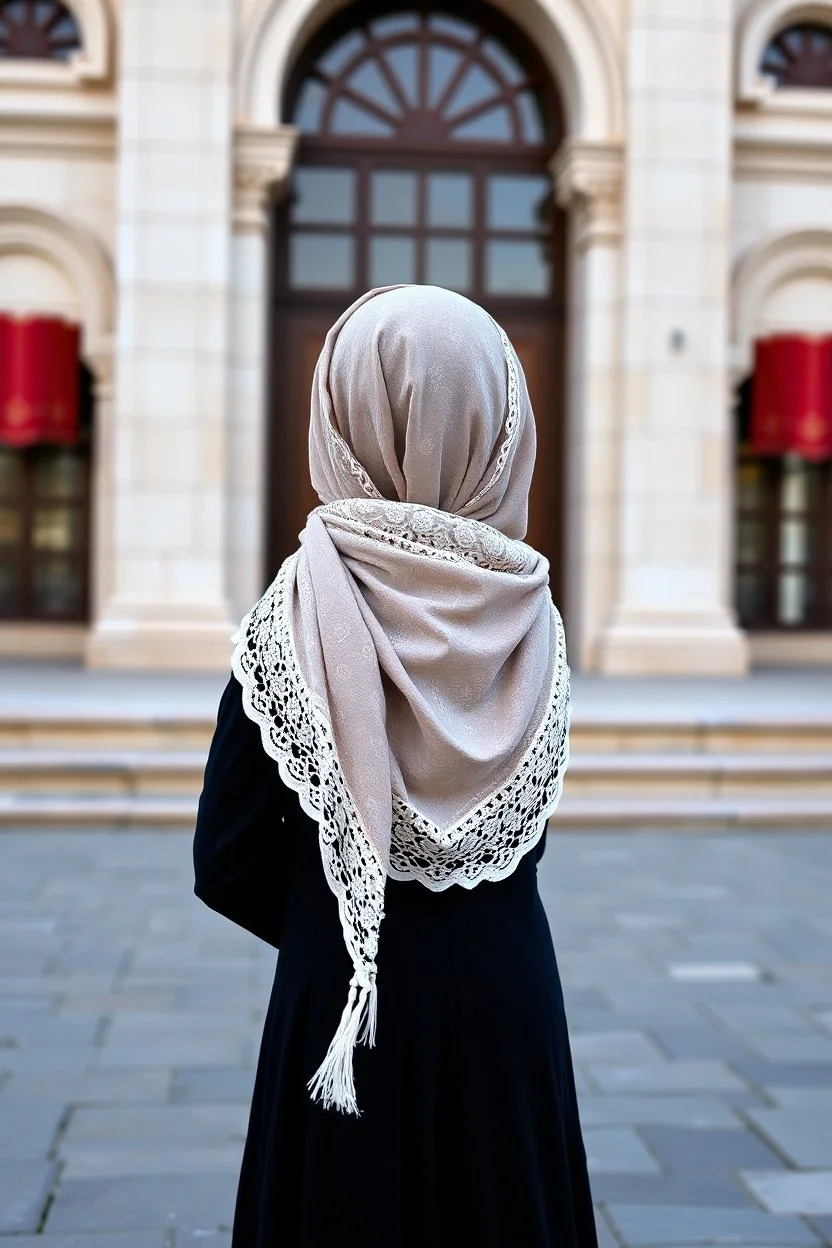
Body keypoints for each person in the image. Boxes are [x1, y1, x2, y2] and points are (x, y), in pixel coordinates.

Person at [193, 285, 597, 1248]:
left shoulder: (297, 610)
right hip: (510, 1006)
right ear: (500, 423)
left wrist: (335, 916)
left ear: (342, 415)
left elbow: (227, 857)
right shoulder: (529, 609)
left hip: (347, 1010)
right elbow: (524, 836)